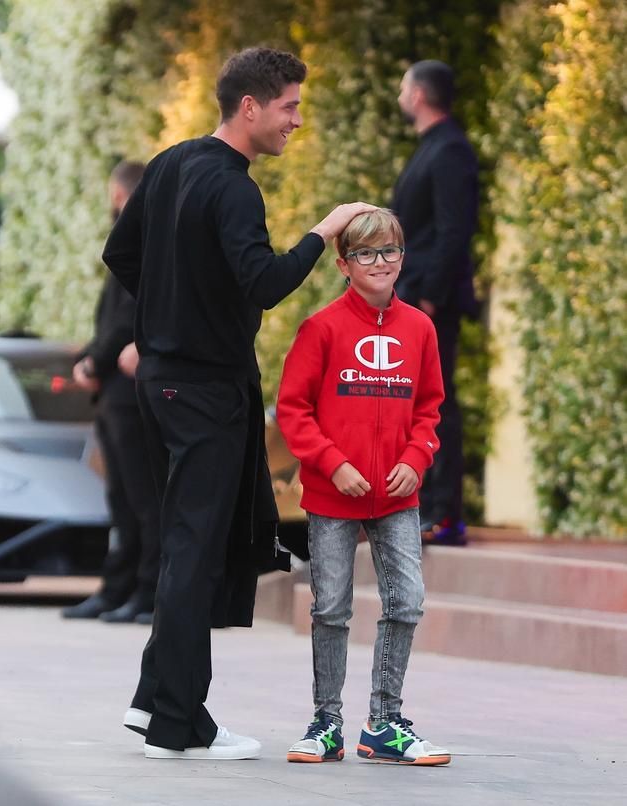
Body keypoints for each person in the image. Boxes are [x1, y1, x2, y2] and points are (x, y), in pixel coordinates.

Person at [102, 46, 375, 761]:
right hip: (203, 389)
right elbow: (263, 282)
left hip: (161, 381)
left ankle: (164, 706)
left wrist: (165, 319)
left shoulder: (167, 165)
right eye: (289, 106)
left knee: (189, 543)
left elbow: (121, 257)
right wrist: (325, 228)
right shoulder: (233, 188)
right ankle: (169, 718)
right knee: (196, 547)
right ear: (249, 107)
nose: (297, 120)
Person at [277, 208, 450, 765]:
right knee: (330, 607)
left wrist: (417, 458)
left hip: (398, 497)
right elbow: (293, 410)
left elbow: (429, 408)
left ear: (402, 258)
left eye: (391, 251)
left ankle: (384, 723)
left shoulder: (420, 329)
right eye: (367, 254)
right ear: (343, 264)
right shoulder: (322, 328)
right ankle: (326, 723)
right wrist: (332, 464)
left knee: (408, 602)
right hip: (334, 497)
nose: (381, 263)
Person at [62, 161, 160, 624]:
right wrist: (92, 356)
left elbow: (125, 316)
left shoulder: (139, 241)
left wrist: (93, 362)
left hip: (130, 389)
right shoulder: (140, 239)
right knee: (122, 497)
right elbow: (113, 319)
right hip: (116, 389)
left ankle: (145, 591)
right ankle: (118, 588)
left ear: (121, 194)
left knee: (140, 496)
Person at [392, 60, 479, 546]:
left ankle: (446, 515)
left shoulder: (450, 151)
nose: (400, 95)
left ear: (420, 95)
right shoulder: (433, 148)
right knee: (415, 402)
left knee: (436, 403)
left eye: (404, 87)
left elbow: (453, 231)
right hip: (415, 299)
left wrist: (428, 297)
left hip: (431, 303)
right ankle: (424, 507)